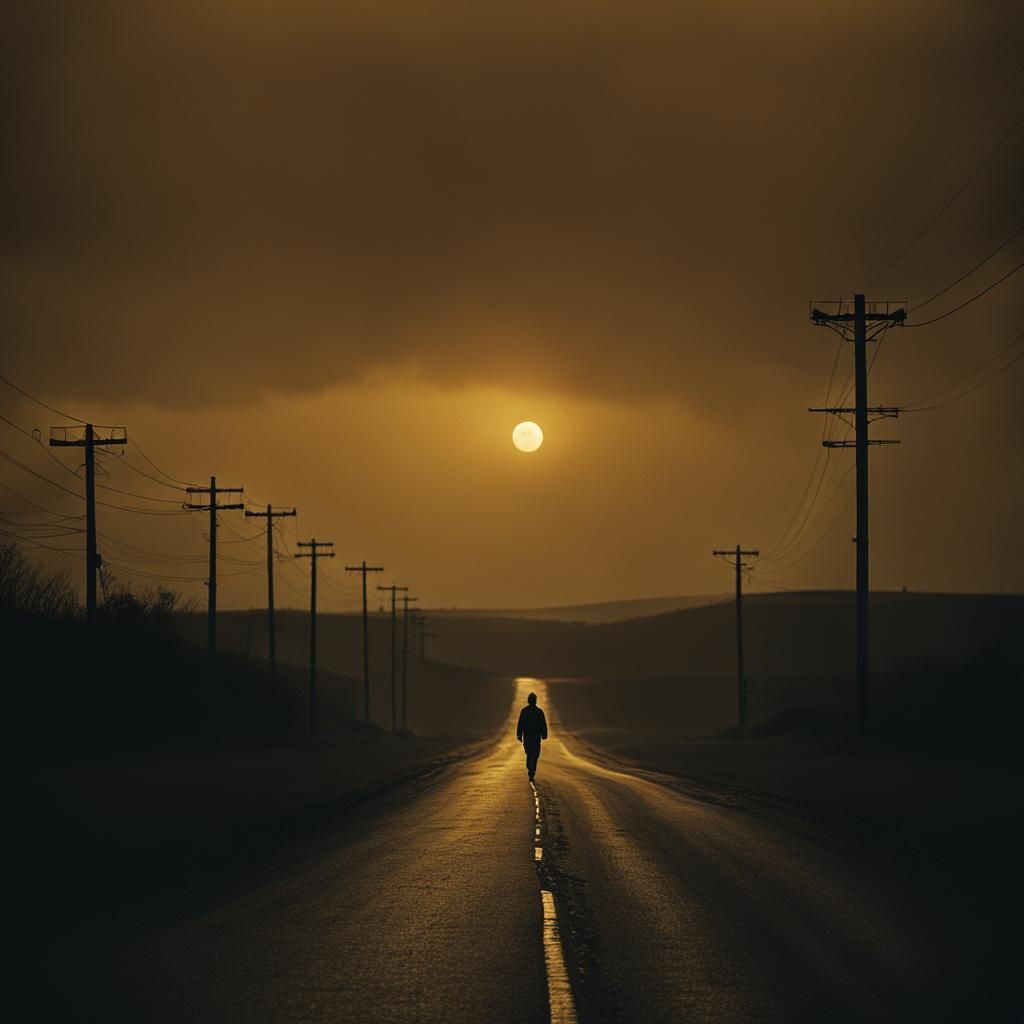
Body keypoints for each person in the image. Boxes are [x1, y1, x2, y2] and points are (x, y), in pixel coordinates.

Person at [516, 691, 548, 781]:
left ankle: (531, 769)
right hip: (534, 737)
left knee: (531, 753)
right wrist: (544, 734)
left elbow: (520, 724)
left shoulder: (525, 711)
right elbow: (543, 725)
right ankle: (532, 770)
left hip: (529, 737)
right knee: (534, 754)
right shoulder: (539, 712)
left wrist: (519, 734)